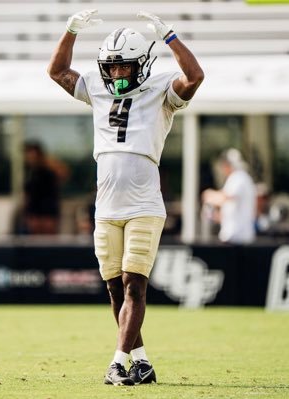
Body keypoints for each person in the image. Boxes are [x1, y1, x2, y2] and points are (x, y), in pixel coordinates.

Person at [48, 9, 204, 385]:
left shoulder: (160, 89)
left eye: (125, 67)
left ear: (143, 64)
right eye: (112, 68)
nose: (117, 74)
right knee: (115, 287)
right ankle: (142, 361)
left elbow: (194, 76)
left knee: (135, 283)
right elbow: (57, 71)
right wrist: (70, 30)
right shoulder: (97, 87)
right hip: (107, 207)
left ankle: (117, 362)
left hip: (144, 206)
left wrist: (169, 37)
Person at [202, 148, 257, 244]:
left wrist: (209, 195)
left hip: (238, 237)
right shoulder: (236, 178)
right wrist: (214, 216)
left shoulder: (239, 177)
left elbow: (225, 197)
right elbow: (230, 210)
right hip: (233, 236)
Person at [18, 141, 61, 234]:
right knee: (35, 239)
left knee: (48, 237)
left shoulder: (49, 169)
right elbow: (28, 193)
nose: (30, 157)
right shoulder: (29, 172)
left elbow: (63, 175)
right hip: (34, 210)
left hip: (48, 209)